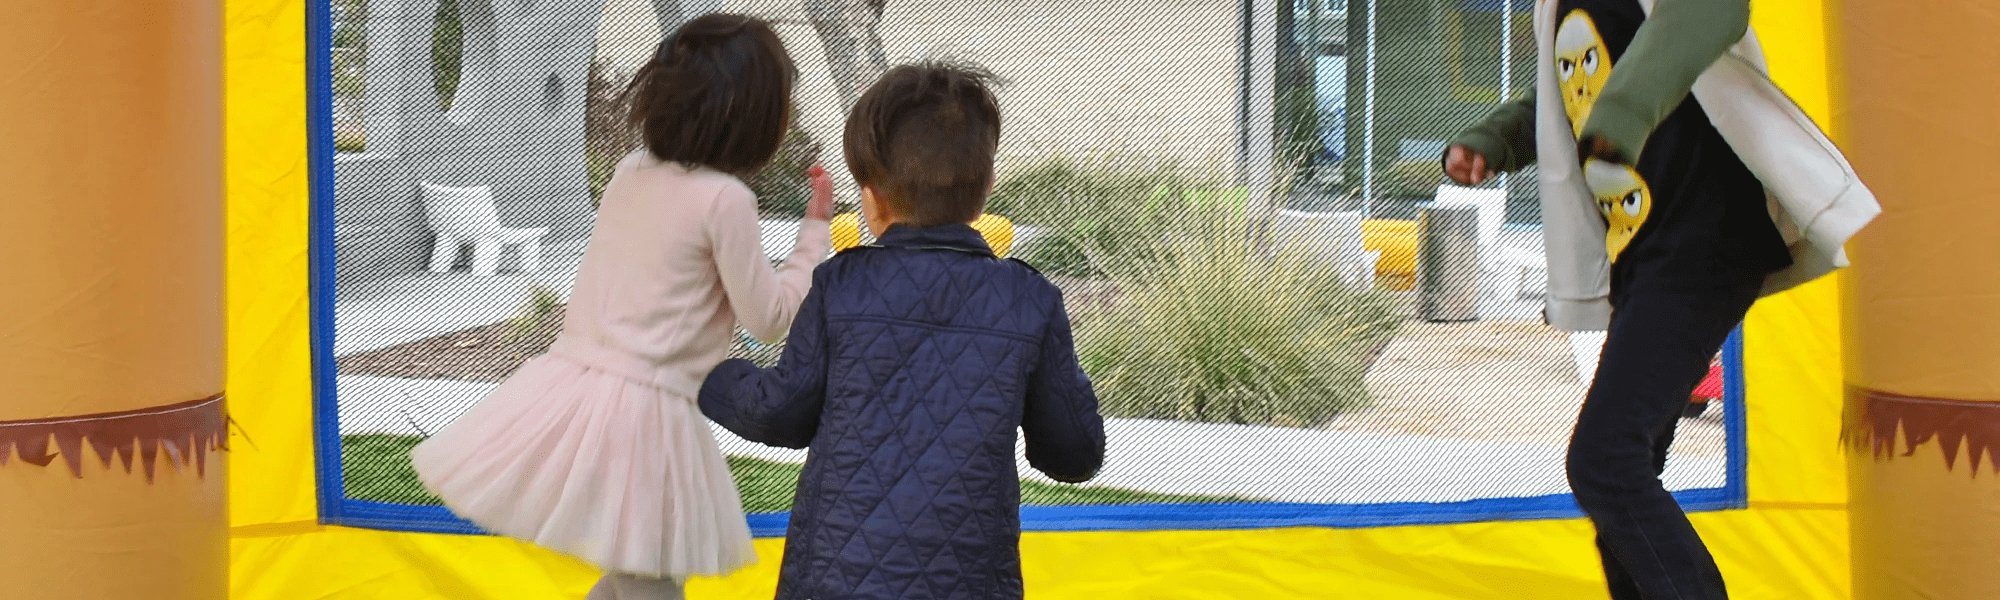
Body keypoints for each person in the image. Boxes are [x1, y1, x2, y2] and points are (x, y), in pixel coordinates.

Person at [1442, 0, 1877, 597]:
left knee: (1605, 460)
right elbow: (1568, 93)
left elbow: (1710, 13)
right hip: (1647, 253)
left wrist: (1625, 110)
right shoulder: (1562, 10)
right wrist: (1494, 140)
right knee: (1624, 470)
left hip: (1703, 239)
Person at [408, 14, 833, 600]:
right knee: (649, 580)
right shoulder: (726, 200)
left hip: (576, 390)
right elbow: (768, 318)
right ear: (753, 118)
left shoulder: (632, 171)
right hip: (644, 414)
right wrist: (814, 234)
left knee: (634, 577)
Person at [698, 60, 1106, 600]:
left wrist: (713, 378)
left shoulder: (842, 286)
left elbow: (782, 413)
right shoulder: (1030, 301)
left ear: (871, 198)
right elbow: (1074, 454)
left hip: (832, 581)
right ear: (984, 190)